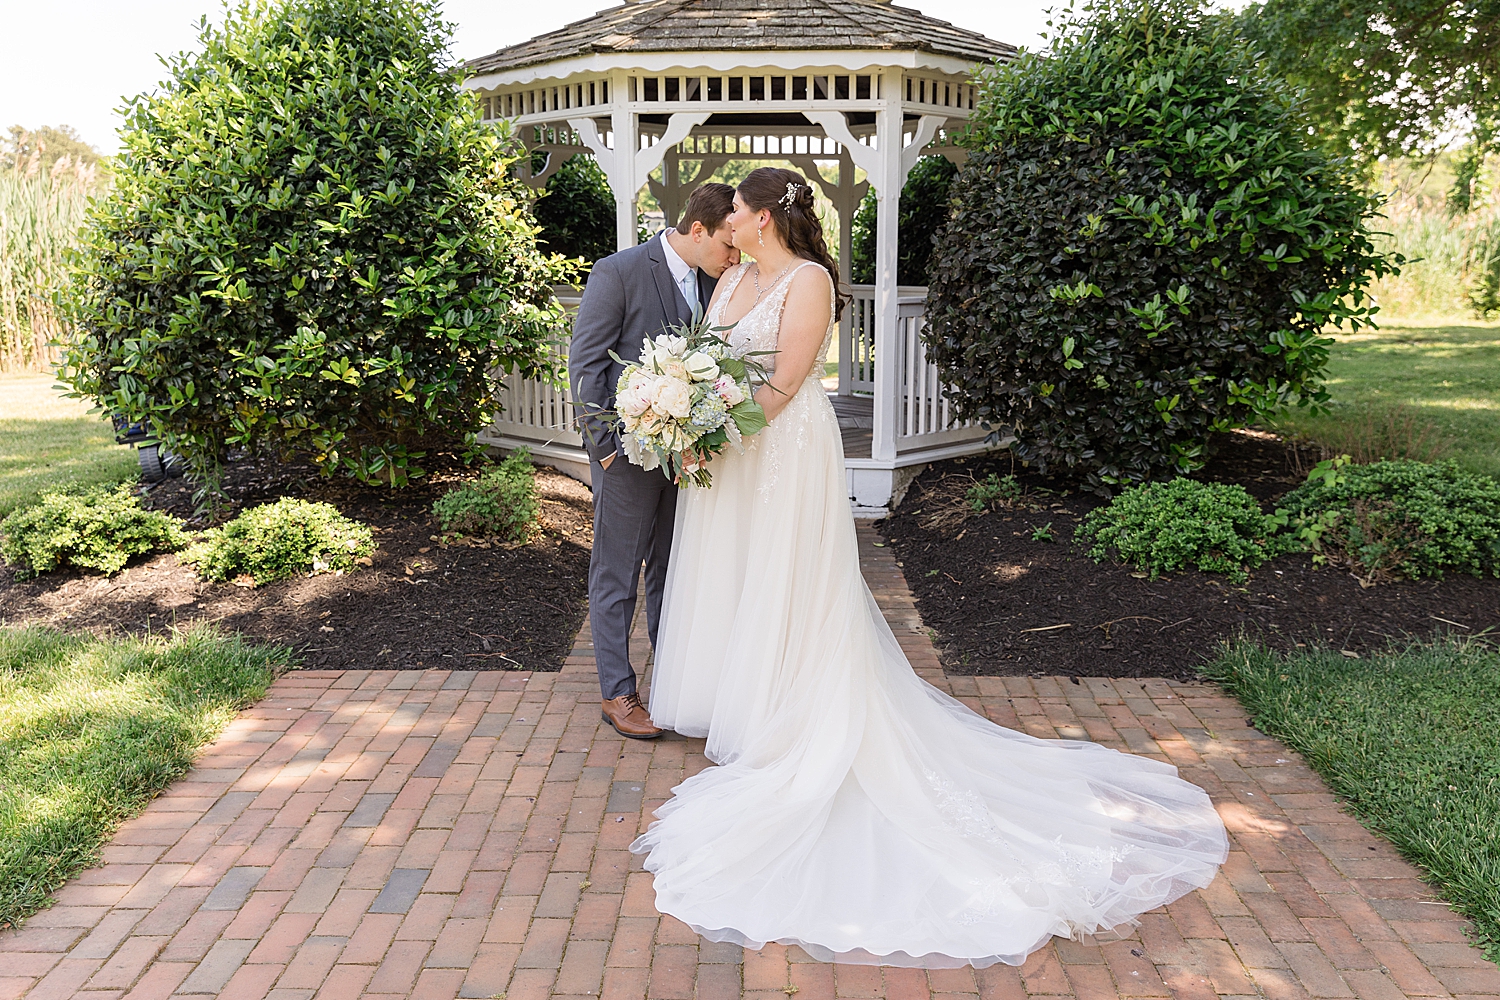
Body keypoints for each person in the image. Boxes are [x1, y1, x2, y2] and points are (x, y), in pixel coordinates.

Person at [633, 167, 1229, 967]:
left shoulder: (809, 282)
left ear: (766, 216)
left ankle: (788, 710)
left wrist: (713, 428)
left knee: (787, 578)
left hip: (778, 451)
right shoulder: (732, 276)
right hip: (728, 459)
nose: (725, 221)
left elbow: (781, 384)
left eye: (736, 211)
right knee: (732, 576)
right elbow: (708, 361)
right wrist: (683, 409)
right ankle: (741, 700)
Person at [569, 183, 740, 740]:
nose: (732, 256)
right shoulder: (618, 271)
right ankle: (617, 692)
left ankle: (669, 682)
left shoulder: (717, 281)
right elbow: (587, 363)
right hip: (625, 453)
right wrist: (605, 448)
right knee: (616, 574)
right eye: (726, 244)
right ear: (697, 230)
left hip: (683, 455)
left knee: (672, 568)